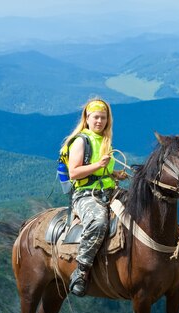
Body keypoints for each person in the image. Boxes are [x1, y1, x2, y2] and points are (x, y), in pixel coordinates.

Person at [63, 98, 127, 297]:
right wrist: (99, 165)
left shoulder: (105, 141)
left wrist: (114, 173)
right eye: (96, 117)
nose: (99, 121)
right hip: (86, 195)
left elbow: (99, 171)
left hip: (108, 191)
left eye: (103, 117)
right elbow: (74, 172)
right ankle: (81, 271)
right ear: (87, 118)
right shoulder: (81, 140)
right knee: (98, 223)